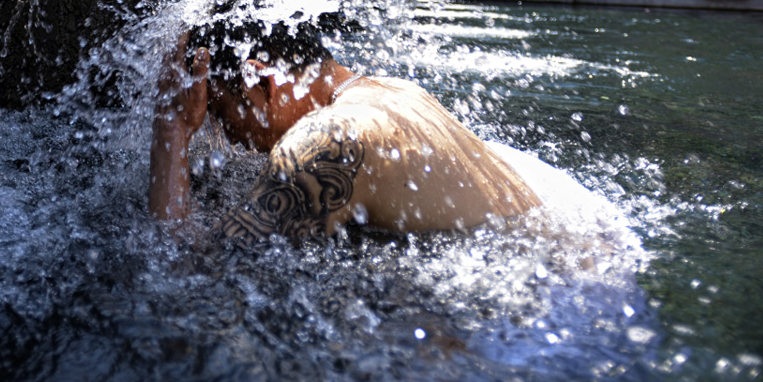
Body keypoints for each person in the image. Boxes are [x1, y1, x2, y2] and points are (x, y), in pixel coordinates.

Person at [148, 17, 542, 241]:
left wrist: (172, 128)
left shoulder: (323, 142)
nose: (225, 134)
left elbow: (186, 267)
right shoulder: (399, 93)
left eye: (217, 110)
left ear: (258, 80)